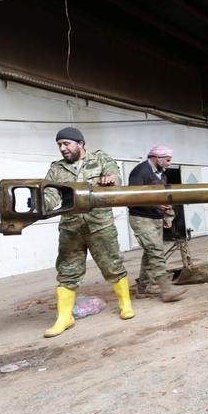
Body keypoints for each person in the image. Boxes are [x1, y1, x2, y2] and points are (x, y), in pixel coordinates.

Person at [42, 127, 134, 338]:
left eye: (66, 143)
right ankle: (65, 317)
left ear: (80, 144)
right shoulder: (57, 169)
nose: (62, 148)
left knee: (112, 265)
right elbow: (50, 192)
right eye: (59, 145)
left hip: (100, 224)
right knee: (67, 272)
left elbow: (116, 177)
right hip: (71, 227)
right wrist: (43, 204)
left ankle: (125, 304)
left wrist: (110, 179)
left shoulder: (100, 159)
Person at [127, 145, 188, 302]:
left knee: (150, 253)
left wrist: (165, 215)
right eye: (167, 160)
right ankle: (166, 290)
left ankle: (143, 289)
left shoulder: (161, 174)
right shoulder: (140, 172)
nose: (169, 163)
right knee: (155, 251)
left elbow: (162, 196)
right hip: (141, 218)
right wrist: (156, 205)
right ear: (157, 157)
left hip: (154, 218)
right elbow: (132, 198)